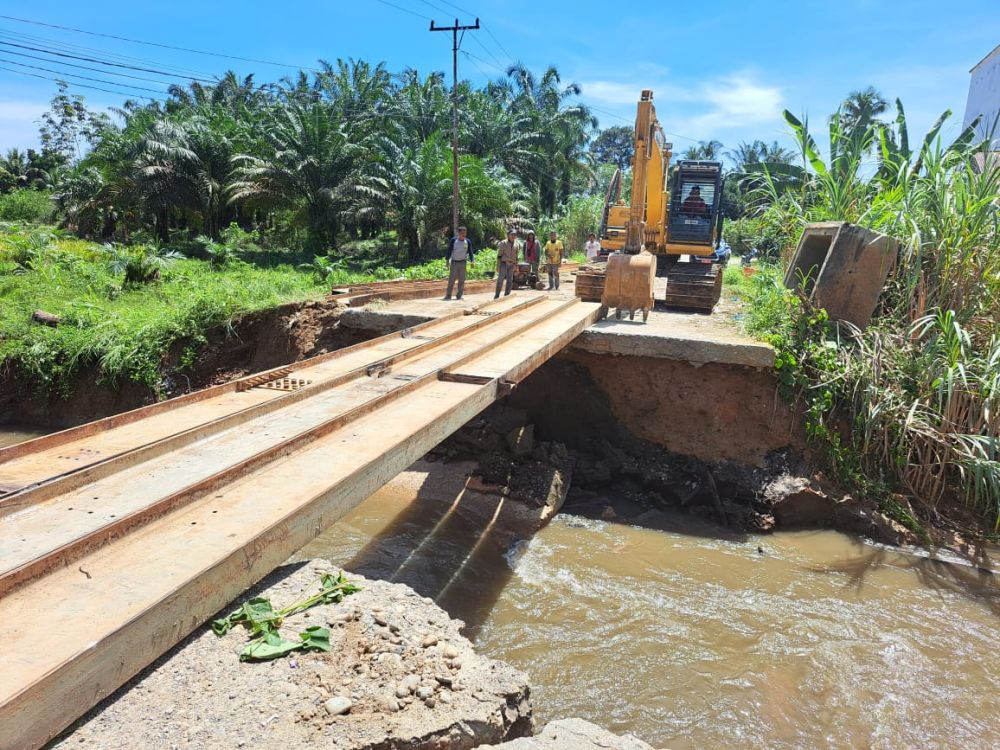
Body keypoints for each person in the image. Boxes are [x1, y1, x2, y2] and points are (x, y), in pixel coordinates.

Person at [444, 226, 474, 300]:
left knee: (461, 279)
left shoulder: (467, 241)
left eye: (465, 233)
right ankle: (448, 295)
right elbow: (449, 251)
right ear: (459, 233)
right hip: (454, 262)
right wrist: (447, 261)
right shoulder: (454, 240)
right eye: (462, 233)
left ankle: (459, 295)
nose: (464, 234)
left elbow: (470, 252)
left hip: (463, 262)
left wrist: (472, 261)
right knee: (452, 279)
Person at [494, 229, 519, 298]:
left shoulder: (516, 244)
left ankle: (507, 295)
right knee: (500, 280)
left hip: (512, 264)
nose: (513, 236)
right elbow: (499, 255)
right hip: (504, 263)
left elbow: (516, 256)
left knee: (510, 280)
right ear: (508, 235)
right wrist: (498, 265)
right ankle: (497, 295)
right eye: (512, 234)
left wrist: (516, 266)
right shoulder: (503, 243)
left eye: (514, 235)